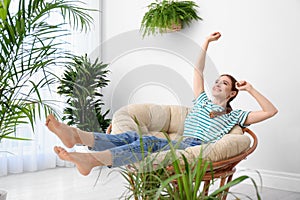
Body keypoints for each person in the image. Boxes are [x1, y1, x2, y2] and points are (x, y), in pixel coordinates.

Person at [46, 32, 278, 176]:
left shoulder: (234, 117)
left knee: (146, 141)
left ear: (232, 93)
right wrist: (206, 42)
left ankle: (88, 155)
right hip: (178, 141)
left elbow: (271, 111)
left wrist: (250, 89)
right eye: (217, 81)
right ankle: (77, 138)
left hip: (193, 147)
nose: (217, 84)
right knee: (133, 138)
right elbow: (198, 70)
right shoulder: (202, 100)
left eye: (224, 83)